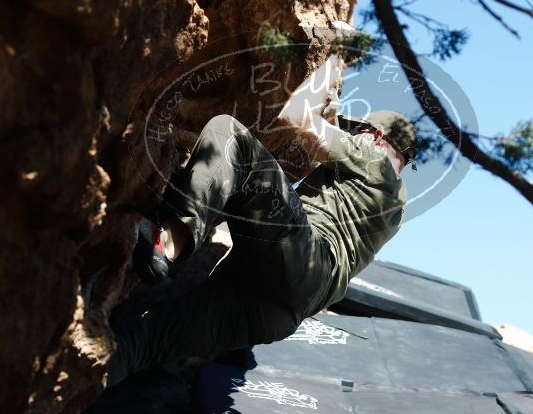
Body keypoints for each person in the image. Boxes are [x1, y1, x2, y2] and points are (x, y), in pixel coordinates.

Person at [106, 56, 418, 386]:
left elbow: (298, 117)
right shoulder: (394, 207)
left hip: (303, 260)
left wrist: (335, 59)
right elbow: (320, 138)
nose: (351, 136)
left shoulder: (373, 159)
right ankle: (73, 384)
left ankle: (167, 243)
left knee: (229, 133)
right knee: (143, 342)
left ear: (377, 136)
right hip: (281, 313)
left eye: (357, 131)